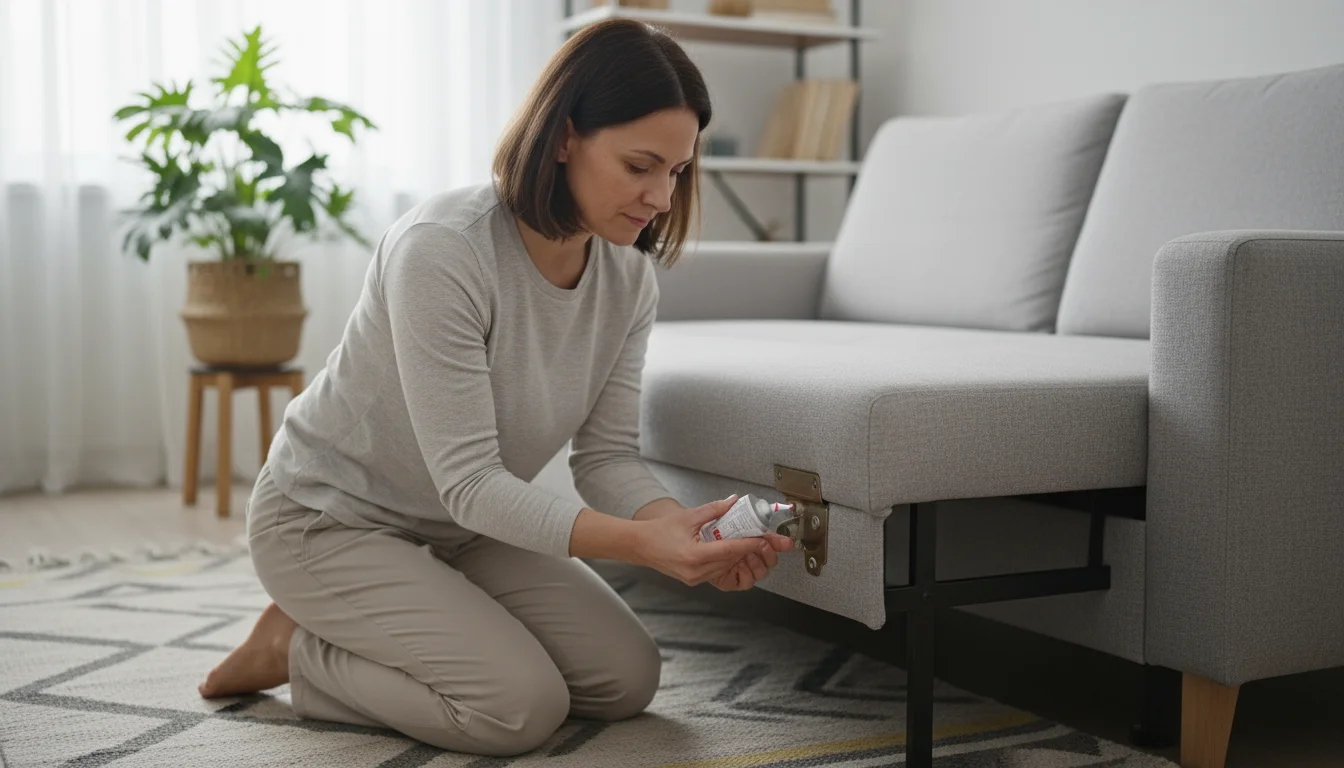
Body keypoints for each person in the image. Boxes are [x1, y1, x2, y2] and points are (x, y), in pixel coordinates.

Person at [196, 17, 794, 757]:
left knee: (625, 679)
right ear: (565, 136)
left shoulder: (628, 277)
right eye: (640, 165)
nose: (662, 198)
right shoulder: (443, 250)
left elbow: (603, 456)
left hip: (461, 530)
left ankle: (376, 621)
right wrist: (643, 547)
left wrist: (684, 531)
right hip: (328, 519)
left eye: (676, 171)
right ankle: (299, 653)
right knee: (516, 709)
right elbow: (472, 481)